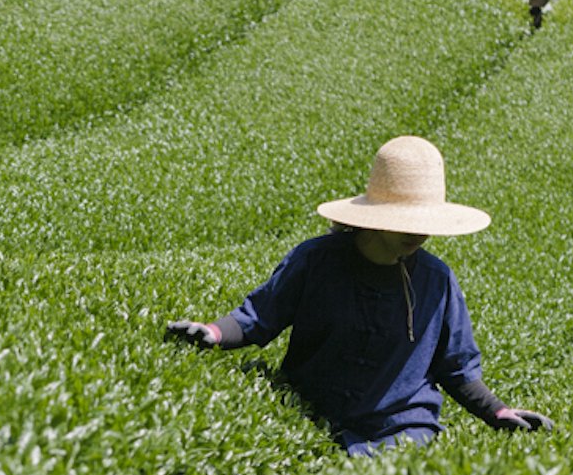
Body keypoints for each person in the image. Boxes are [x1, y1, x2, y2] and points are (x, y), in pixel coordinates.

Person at [166, 136, 550, 457]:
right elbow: (258, 318)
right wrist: (213, 333)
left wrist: (497, 412)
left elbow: (457, 369)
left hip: (403, 428)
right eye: (406, 220)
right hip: (313, 412)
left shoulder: (437, 281)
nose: (417, 234)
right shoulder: (315, 261)